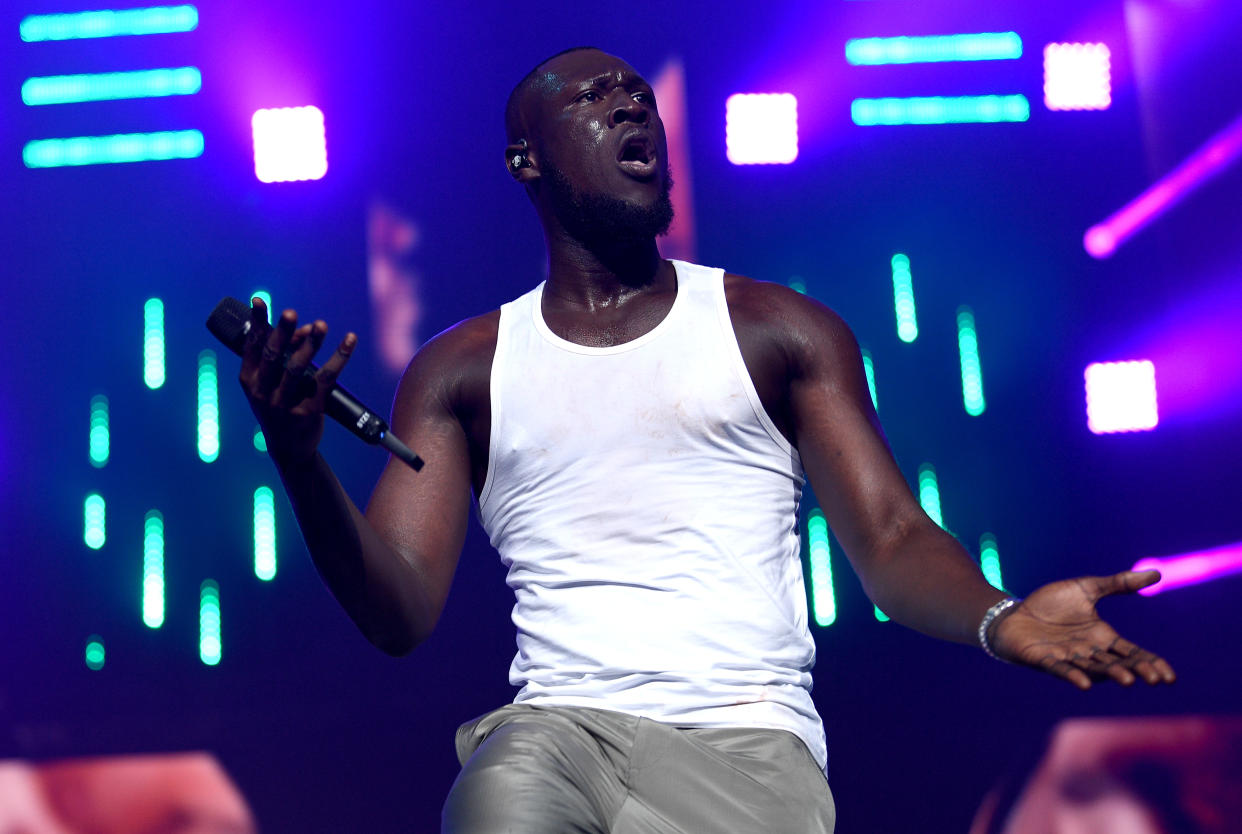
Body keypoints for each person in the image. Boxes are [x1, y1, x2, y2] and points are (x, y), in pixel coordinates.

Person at [237, 47, 1176, 834]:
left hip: (748, 746)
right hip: (555, 734)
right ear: (527, 160)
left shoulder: (778, 328)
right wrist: (300, 459)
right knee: (499, 789)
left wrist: (999, 616)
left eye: (638, 97)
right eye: (594, 98)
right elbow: (397, 610)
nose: (628, 105)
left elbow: (890, 540)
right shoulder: (459, 369)